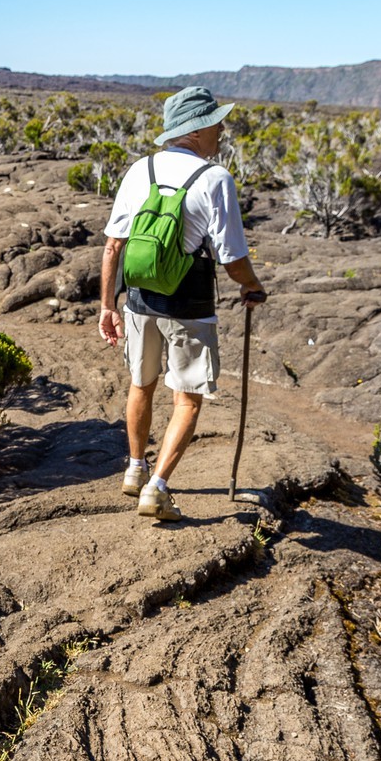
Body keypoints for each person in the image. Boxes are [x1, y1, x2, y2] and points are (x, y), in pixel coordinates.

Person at [98, 85, 267, 523]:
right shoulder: (215, 179)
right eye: (216, 122)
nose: (222, 129)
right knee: (187, 400)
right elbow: (232, 259)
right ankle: (156, 489)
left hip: (138, 300)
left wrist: (107, 305)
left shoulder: (141, 169)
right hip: (189, 304)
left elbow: (113, 247)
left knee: (141, 384)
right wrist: (253, 287)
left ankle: (135, 470)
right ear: (196, 130)